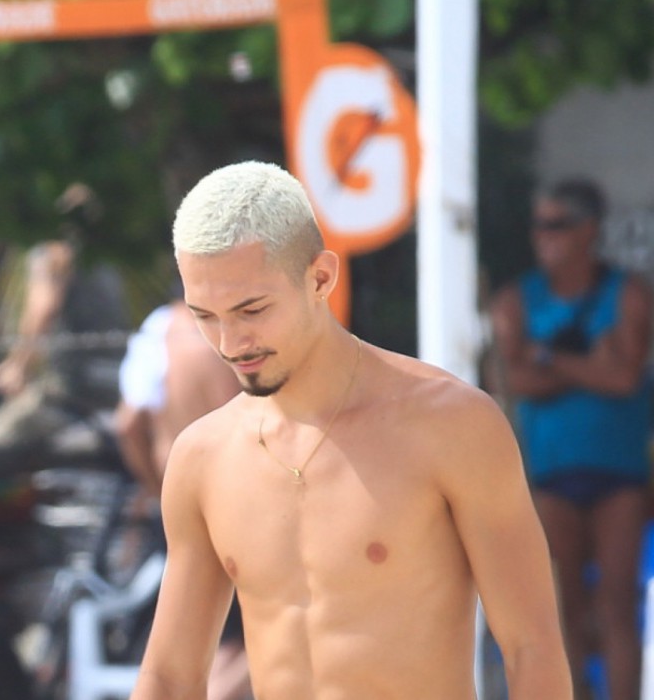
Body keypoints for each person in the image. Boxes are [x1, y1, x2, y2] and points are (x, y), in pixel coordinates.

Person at [131, 161, 572, 699]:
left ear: (321, 278)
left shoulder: (450, 425)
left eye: (251, 309)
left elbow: (532, 647)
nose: (230, 343)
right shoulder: (202, 458)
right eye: (206, 315)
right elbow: (171, 677)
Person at [490, 177, 651, 700]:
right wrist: (588, 365)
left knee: (617, 604)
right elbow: (511, 383)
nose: (543, 235)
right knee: (564, 609)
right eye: (538, 224)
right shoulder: (516, 301)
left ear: (589, 231)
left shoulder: (627, 294)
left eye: (555, 224)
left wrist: (546, 360)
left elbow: (625, 378)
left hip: (619, 471)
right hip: (551, 473)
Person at [115, 293, 249, 700]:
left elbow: (126, 423)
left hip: (181, 501)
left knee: (193, 650)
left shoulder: (160, 333)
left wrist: (156, 487)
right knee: (240, 647)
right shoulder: (248, 332)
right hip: (247, 498)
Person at [0, 182, 130, 451]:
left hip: (73, 383)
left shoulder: (52, 252)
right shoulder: (104, 257)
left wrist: (18, 366)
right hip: (115, 375)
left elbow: (44, 306)